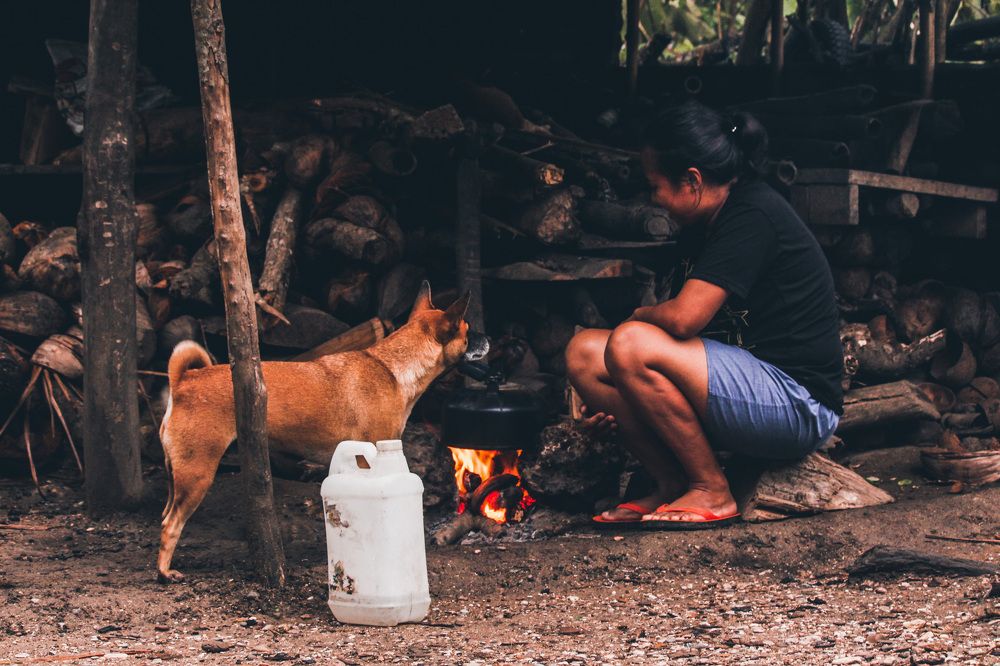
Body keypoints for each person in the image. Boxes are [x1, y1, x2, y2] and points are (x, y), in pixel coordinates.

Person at [565, 100, 843, 529]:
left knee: (629, 343)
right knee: (584, 353)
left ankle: (711, 488)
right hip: (741, 390)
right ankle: (671, 483)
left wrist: (638, 315)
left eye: (656, 186)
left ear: (692, 180)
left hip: (797, 403)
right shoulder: (701, 226)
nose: (653, 199)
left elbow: (682, 320)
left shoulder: (752, 213)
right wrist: (618, 394)